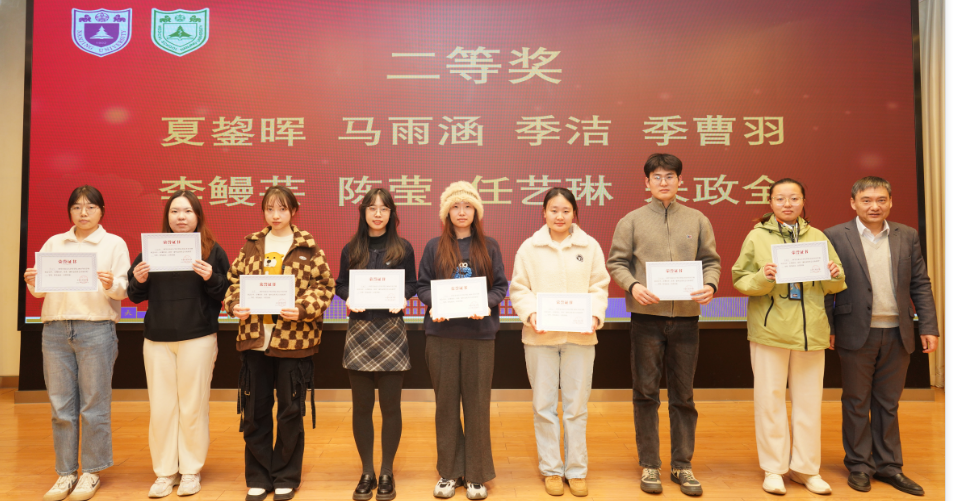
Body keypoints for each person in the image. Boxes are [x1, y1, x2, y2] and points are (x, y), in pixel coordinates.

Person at [606, 153, 720, 497]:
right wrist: (633, 286)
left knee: (683, 396)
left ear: (680, 181)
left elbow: (711, 261)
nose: (664, 182)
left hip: (687, 319)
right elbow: (617, 262)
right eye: (657, 177)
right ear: (647, 182)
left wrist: (711, 285)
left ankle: (682, 464)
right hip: (646, 320)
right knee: (646, 393)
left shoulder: (698, 219)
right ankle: (650, 464)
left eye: (670, 176)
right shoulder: (632, 220)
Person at [823, 176, 939, 496]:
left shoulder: (907, 235)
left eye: (881, 200)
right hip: (854, 331)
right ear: (853, 203)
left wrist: (928, 326)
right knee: (856, 401)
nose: (874, 206)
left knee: (888, 403)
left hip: (898, 331)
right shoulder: (834, 235)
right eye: (866, 200)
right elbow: (825, 287)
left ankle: (889, 466)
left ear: (890, 202)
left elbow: (920, 283)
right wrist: (828, 327)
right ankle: (860, 465)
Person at [731, 178, 845, 495]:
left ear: (803, 201)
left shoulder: (817, 237)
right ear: (770, 202)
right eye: (780, 198)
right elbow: (740, 279)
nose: (787, 204)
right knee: (770, 402)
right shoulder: (756, 236)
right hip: (771, 331)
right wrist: (762, 276)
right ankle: (774, 469)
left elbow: (836, 283)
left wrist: (835, 273)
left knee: (809, 404)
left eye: (794, 198)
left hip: (811, 332)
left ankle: (806, 469)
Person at [224, 186, 336, 501]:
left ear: (293, 211)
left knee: (290, 411)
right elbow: (233, 282)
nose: (275, 215)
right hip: (255, 339)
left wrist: (302, 308)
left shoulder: (307, 247)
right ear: (263, 211)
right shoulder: (251, 245)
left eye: (282, 209)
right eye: (270, 209)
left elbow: (325, 286)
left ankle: (286, 475)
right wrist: (235, 304)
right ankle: (259, 476)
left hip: (294, 341)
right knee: (255, 411)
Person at [24, 185, 130, 501]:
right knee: (60, 406)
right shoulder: (55, 243)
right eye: (77, 207)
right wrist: (32, 282)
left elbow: (124, 289)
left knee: (93, 405)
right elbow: (41, 291)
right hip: (55, 330)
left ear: (101, 211)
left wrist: (111, 284)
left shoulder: (113, 243)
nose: (83, 213)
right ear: (69, 211)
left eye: (90, 207)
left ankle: (91, 472)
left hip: (96, 329)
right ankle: (66, 472)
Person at [126, 190, 230, 498]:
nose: (181, 217)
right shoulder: (152, 249)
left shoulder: (212, 250)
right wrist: (139, 279)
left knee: (193, 406)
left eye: (187, 211)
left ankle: (190, 470)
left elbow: (226, 292)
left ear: (198, 216)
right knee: (161, 408)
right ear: (167, 217)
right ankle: (165, 472)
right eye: (174, 211)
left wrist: (211, 276)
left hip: (198, 337)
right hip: (157, 340)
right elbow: (134, 295)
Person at [509, 188, 610, 497]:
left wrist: (594, 315)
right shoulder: (529, 248)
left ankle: (576, 470)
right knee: (543, 406)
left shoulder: (589, 246)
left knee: (576, 407)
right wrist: (531, 314)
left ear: (574, 213)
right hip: (540, 338)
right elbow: (519, 288)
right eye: (554, 210)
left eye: (566, 210)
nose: (560, 216)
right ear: (544, 213)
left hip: (580, 338)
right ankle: (552, 469)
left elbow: (599, 286)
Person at [417, 181, 508, 500]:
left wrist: (485, 304)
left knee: (477, 405)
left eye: (467, 206)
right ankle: (449, 472)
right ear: (446, 212)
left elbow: (500, 287)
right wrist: (437, 305)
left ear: (476, 211)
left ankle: (476, 474)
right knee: (445, 406)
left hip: (479, 337)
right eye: (455, 206)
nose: (461, 212)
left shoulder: (490, 246)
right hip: (441, 336)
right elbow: (422, 286)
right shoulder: (433, 247)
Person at [335, 188, 417, 501]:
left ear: (392, 213)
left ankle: (386, 472)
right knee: (361, 407)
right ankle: (367, 471)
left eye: (384, 208)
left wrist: (403, 296)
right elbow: (341, 284)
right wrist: (348, 297)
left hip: (391, 330)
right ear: (364, 213)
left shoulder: (403, 248)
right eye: (372, 208)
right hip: (359, 331)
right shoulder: (351, 248)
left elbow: (411, 283)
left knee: (391, 407)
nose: (378, 214)